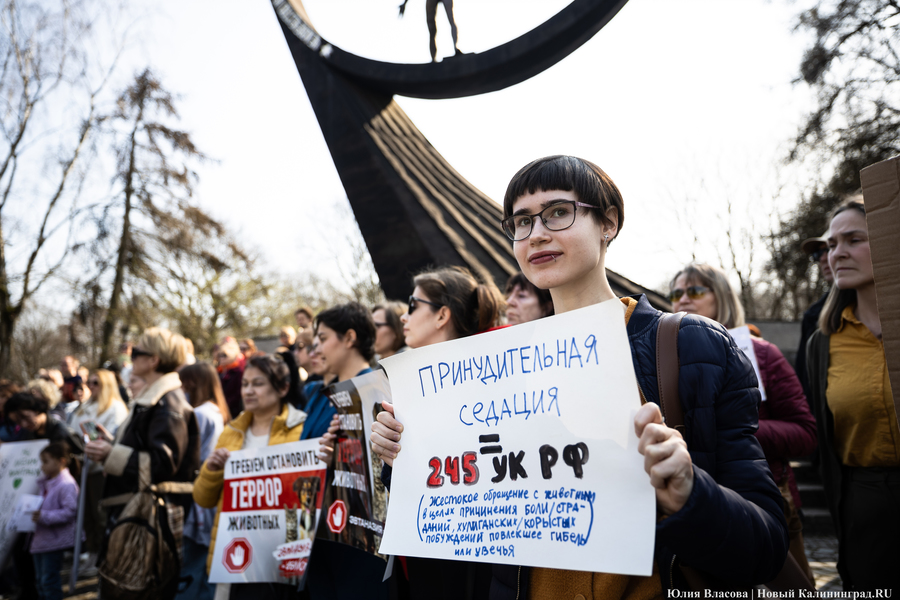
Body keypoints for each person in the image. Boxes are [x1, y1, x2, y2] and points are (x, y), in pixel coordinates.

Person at [371, 155, 788, 596]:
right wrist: (409, 460)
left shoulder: (693, 347)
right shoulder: (494, 369)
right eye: (521, 222)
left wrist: (690, 493)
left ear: (608, 223)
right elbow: (470, 526)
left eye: (557, 213)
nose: (537, 235)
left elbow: (765, 546)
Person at [670, 262, 817, 581]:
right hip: (701, 499)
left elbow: (806, 432)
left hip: (768, 497)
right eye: (676, 293)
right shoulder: (668, 356)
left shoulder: (762, 354)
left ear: (721, 296)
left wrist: (732, 429)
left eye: (695, 291)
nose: (682, 299)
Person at [380, 267, 503, 600]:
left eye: (413, 305)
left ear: (442, 315)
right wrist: (388, 454)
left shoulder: (491, 383)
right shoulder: (408, 383)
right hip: (419, 558)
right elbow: (402, 486)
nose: (403, 317)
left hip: (467, 567)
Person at [806, 198, 899, 591]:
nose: (836, 253)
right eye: (831, 243)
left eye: (853, 240)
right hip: (863, 507)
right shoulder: (822, 345)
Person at [84, 327, 200, 600]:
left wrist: (110, 454)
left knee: (136, 591)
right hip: (136, 513)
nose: (131, 357)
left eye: (137, 352)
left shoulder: (168, 403)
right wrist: (111, 445)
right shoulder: (154, 400)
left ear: (154, 360)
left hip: (149, 518)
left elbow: (162, 464)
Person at [193, 354, 306, 600]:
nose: (248, 391)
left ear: (283, 388)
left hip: (282, 561)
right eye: (245, 384)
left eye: (258, 383)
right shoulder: (231, 433)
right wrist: (212, 470)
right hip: (236, 559)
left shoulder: (303, 430)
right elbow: (202, 499)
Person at [300, 303, 388, 600]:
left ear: (349, 338)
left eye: (323, 338)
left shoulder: (379, 390)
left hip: (362, 540)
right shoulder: (323, 395)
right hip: (322, 531)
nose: (317, 348)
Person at [177, 362, 231, 600]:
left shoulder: (200, 414)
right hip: (209, 490)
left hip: (199, 493)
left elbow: (188, 456)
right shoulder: (216, 410)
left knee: (194, 564)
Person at [68, 370, 129, 574]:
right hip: (82, 468)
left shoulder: (116, 408)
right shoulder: (83, 408)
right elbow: (73, 431)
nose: (91, 386)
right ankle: (94, 552)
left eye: (96, 383)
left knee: (101, 513)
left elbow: (112, 440)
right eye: (89, 383)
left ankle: (107, 556)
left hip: (102, 469)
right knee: (87, 515)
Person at [30, 442, 80, 600]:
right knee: (41, 581)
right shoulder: (46, 482)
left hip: (54, 540)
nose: (42, 466)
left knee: (48, 581)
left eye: (46, 461)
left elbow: (69, 512)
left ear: (61, 461)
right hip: (42, 540)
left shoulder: (66, 484)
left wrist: (44, 516)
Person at [796, 231, 834, 403]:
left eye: (831, 248)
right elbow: (805, 379)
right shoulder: (813, 316)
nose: (824, 258)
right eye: (819, 254)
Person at [216, 337, 246, 418]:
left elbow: (237, 394)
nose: (221, 358)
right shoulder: (218, 372)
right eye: (220, 355)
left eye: (225, 355)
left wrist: (224, 406)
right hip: (219, 410)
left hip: (233, 412)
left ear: (233, 356)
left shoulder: (238, 372)